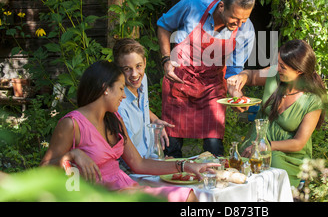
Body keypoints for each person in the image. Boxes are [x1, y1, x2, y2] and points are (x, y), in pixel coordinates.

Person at [40, 61, 219, 202]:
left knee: (188, 196)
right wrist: (71, 155)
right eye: (120, 88)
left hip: (126, 189)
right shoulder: (72, 124)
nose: (124, 95)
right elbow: (43, 170)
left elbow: (139, 164)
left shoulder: (114, 119)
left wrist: (185, 165)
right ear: (105, 88)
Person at [157, 0, 256, 158]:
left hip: (212, 87)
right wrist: (166, 60)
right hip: (179, 82)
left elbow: (234, 72)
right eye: (234, 18)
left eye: (244, 19)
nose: (239, 24)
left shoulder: (245, 30)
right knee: (171, 147)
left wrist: (235, 94)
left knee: (214, 148)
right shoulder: (192, 5)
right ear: (222, 6)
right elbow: (163, 25)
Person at [227, 39, 326, 187]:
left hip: (287, 157)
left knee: (270, 165)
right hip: (254, 147)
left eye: (282, 66)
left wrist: (265, 146)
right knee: (234, 167)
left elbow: (298, 143)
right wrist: (241, 79)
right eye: (277, 62)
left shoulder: (313, 101)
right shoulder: (275, 75)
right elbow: (251, 75)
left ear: (299, 70)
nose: (277, 68)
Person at [113, 38, 173, 163]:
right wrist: (163, 166)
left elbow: (140, 107)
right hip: (133, 168)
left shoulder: (141, 79)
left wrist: (154, 118)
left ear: (145, 63)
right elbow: (131, 161)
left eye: (138, 66)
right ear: (118, 70)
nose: (135, 74)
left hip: (149, 157)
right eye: (127, 69)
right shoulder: (119, 106)